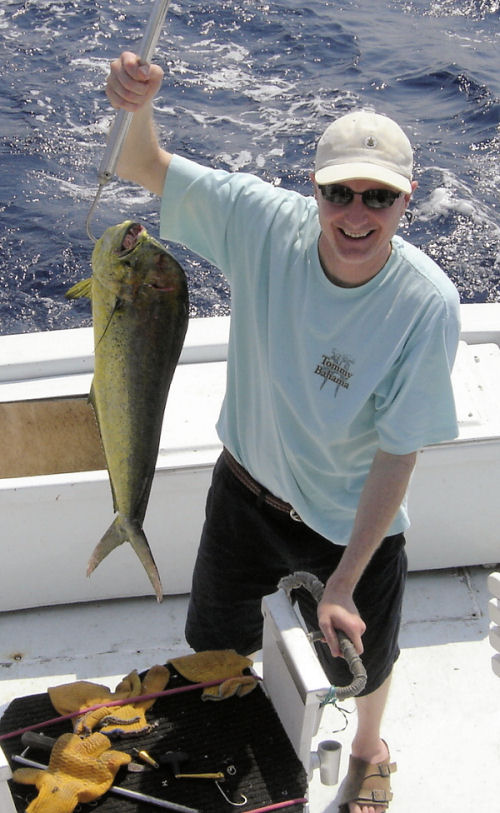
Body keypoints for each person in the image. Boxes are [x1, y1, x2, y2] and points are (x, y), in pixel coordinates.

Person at [105, 51, 460, 813]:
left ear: (407, 202)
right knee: (211, 649)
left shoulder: (426, 304)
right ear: (315, 188)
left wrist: (342, 580)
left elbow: (398, 452)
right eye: (339, 193)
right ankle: (221, 740)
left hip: (349, 521)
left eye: (378, 198)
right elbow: (143, 161)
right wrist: (138, 100)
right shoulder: (264, 224)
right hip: (244, 492)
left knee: (369, 661)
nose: (355, 215)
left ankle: (370, 749)